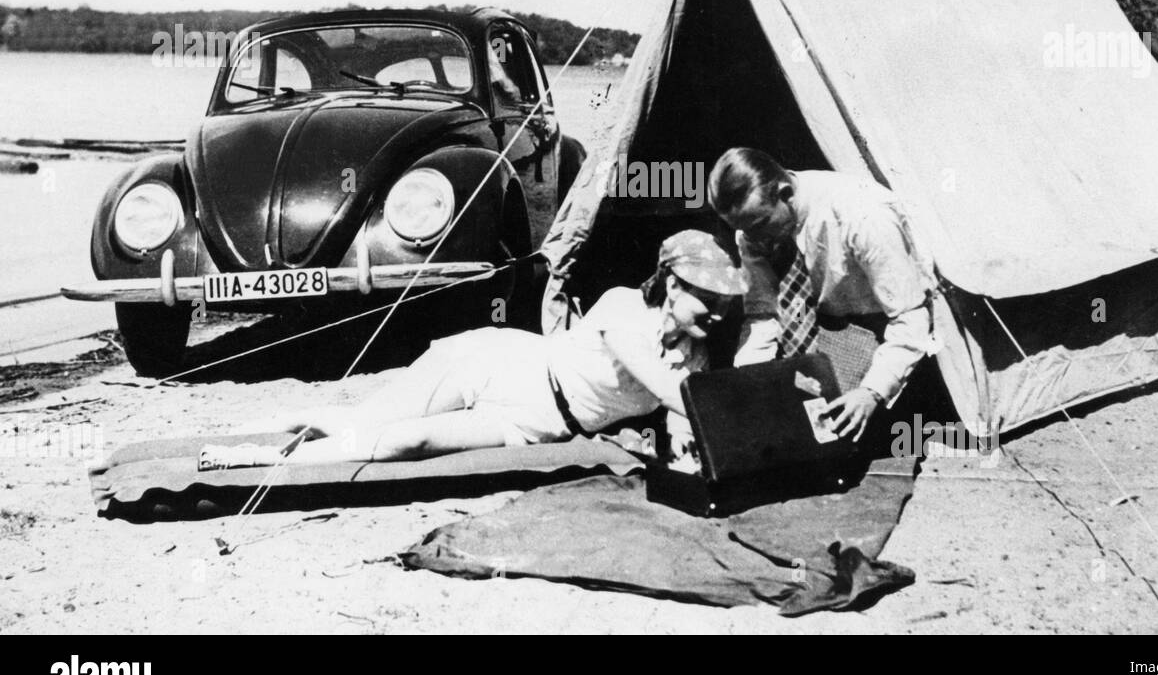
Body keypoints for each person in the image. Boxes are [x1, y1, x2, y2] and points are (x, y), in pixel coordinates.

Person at [197, 230, 747, 470]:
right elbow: (674, 396)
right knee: (360, 423)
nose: (719, 314)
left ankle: (282, 448)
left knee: (406, 441)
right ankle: (259, 449)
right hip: (504, 367)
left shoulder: (694, 353)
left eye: (726, 302)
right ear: (672, 284)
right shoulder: (623, 309)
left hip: (541, 425)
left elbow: (682, 420)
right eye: (709, 300)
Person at [707, 147, 936, 444]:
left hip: (885, 328)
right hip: (826, 326)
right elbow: (763, 312)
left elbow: (911, 316)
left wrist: (872, 392)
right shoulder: (752, 229)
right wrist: (751, 383)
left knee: (845, 432)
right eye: (744, 230)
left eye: (761, 225)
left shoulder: (861, 215)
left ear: (785, 192)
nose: (755, 238)